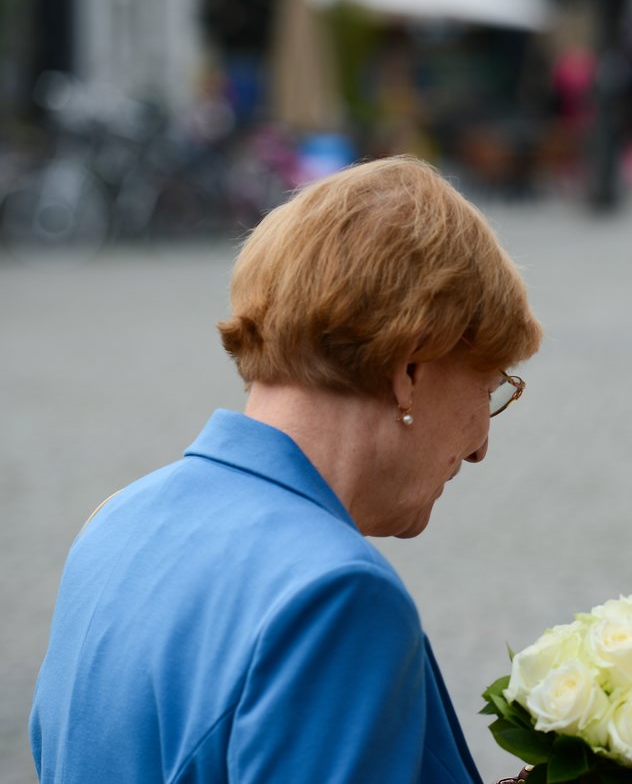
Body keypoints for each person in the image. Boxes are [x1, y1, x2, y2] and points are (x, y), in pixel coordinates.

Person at [29, 156, 542, 783]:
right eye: (488, 387)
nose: (481, 445)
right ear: (410, 369)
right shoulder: (333, 596)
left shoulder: (115, 522)